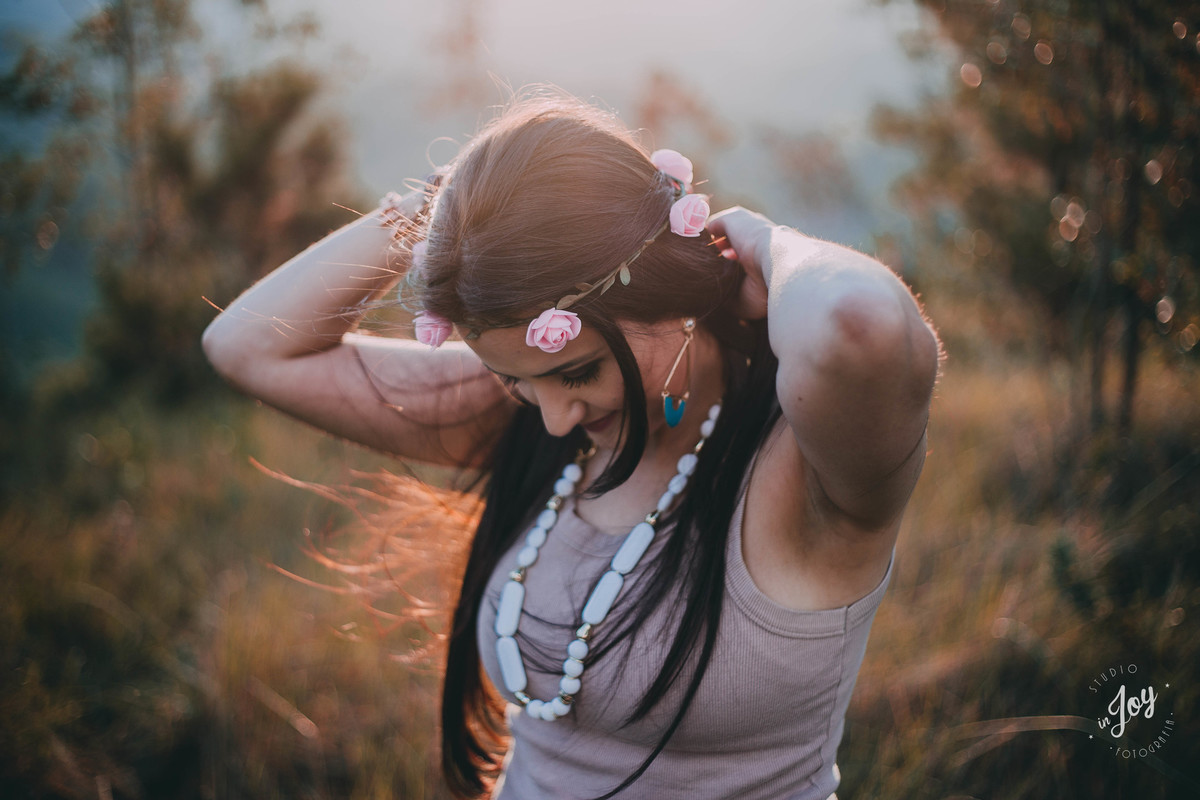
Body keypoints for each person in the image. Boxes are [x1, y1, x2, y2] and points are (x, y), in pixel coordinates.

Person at [202, 90, 941, 800]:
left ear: (671, 299)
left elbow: (857, 321)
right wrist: (444, 210)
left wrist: (765, 244)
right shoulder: (531, 415)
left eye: (577, 371)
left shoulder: (804, 469)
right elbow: (247, 346)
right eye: (515, 380)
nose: (552, 420)